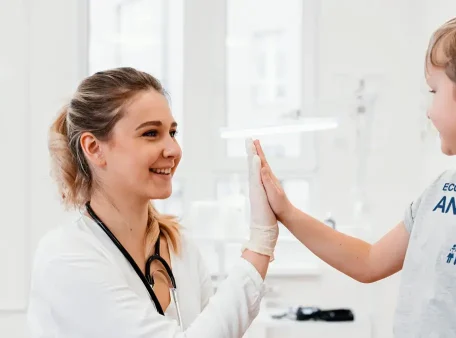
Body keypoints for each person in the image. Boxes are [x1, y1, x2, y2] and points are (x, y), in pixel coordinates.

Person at [252, 2, 456, 337]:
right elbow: (368, 262)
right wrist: (287, 212)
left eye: (434, 91)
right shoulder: (441, 190)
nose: (429, 111)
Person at [26, 67, 278, 338]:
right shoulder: (65, 258)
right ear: (94, 148)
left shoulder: (180, 248)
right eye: (150, 134)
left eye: (172, 132)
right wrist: (259, 244)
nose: (173, 150)